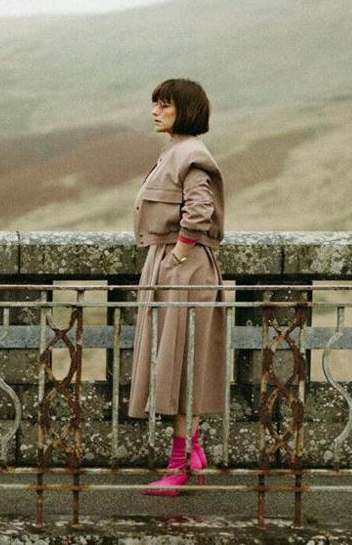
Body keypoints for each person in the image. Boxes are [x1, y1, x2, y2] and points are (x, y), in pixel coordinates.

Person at [128, 78, 227, 496]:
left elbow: (200, 209)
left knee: (182, 367)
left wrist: (180, 255)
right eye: (155, 104)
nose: (155, 111)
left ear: (183, 111)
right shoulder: (176, 152)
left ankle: (179, 465)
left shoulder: (191, 155)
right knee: (176, 362)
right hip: (171, 269)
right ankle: (194, 450)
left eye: (164, 105)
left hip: (182, 273)